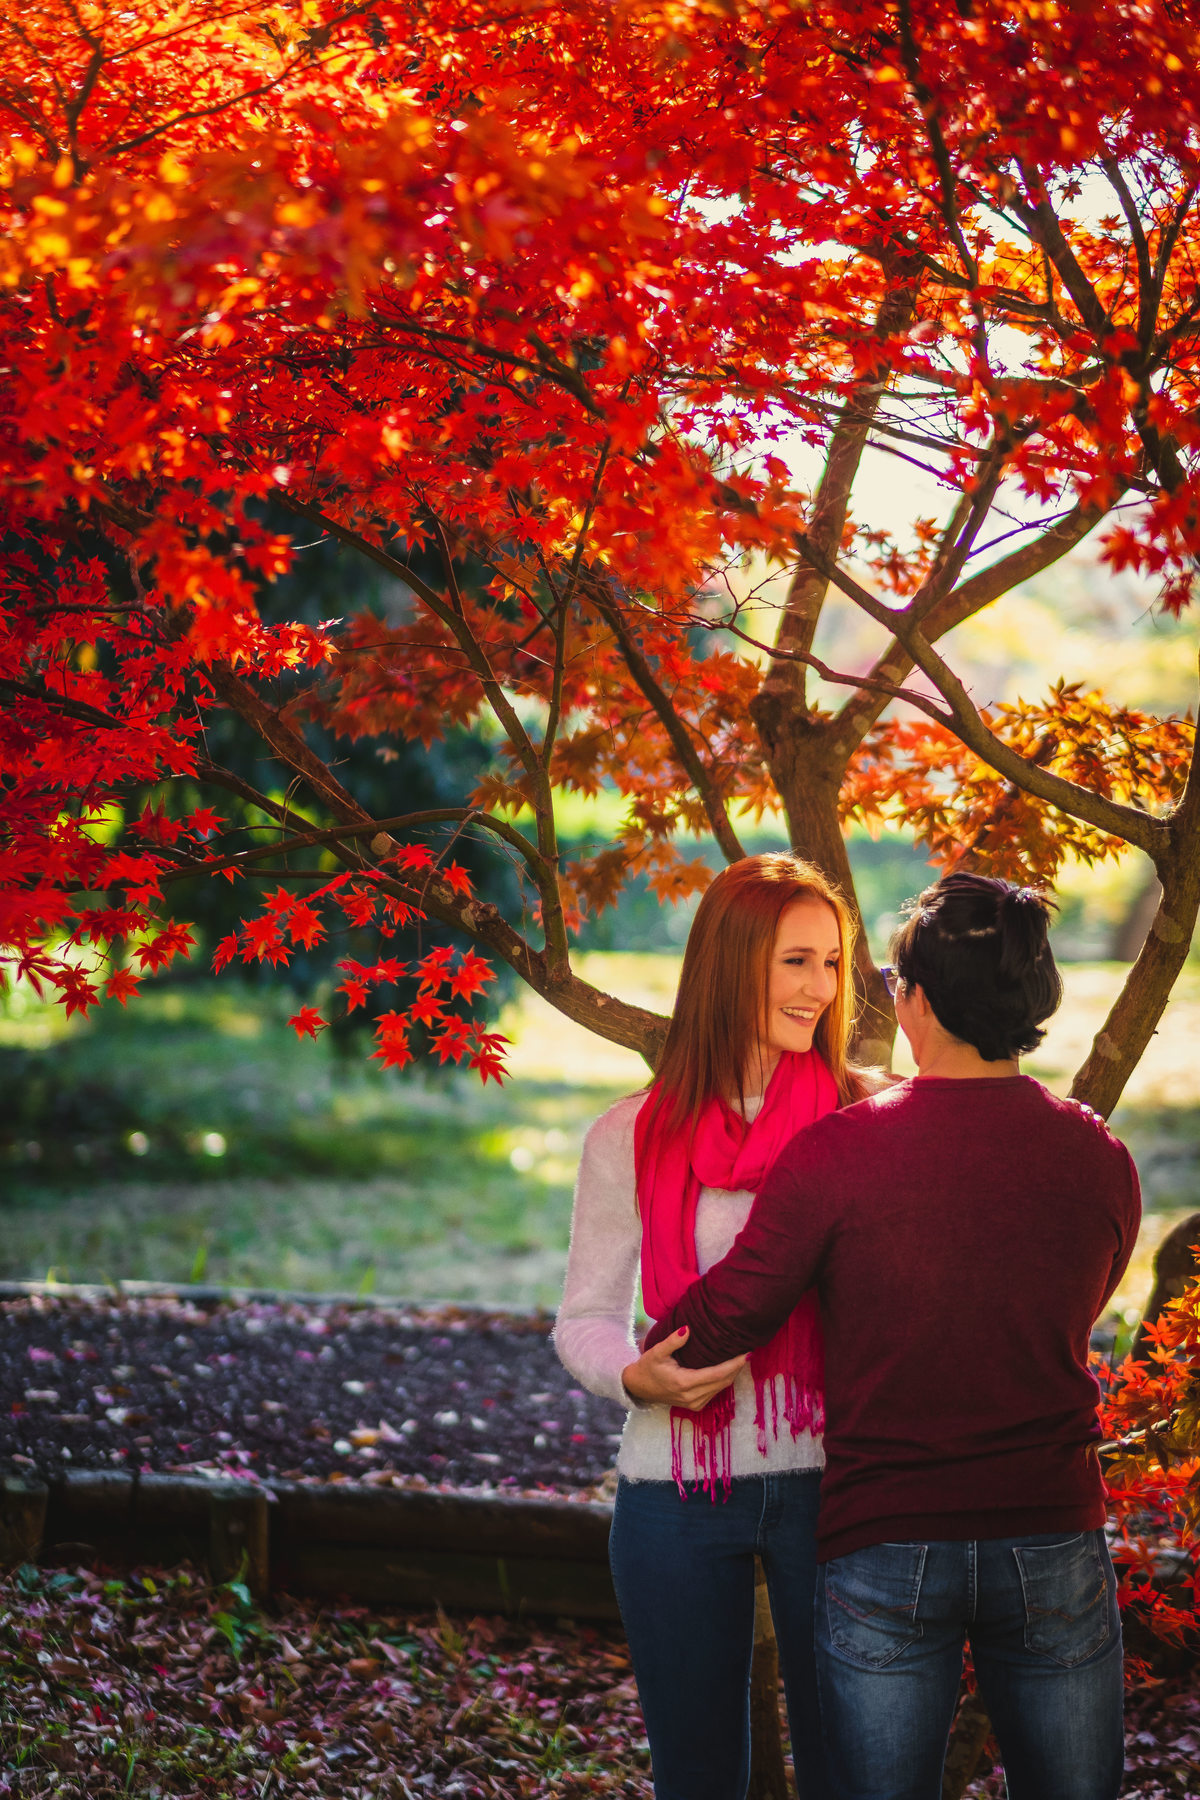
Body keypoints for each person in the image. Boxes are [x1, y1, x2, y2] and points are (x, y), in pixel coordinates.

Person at [644, 871, 1141, 1800]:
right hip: (1050, 1529)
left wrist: (646, 1360)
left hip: (886, 1540)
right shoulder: (1099, 1154)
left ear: (916, 1001)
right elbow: (1086, 1297)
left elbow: (732, 1315)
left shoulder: (839, 1151)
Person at [555, 853, 875, 1800]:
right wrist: (633, 1378)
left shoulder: (866, 1114)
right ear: (731, 963)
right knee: (696, 1777)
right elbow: (585, 1318)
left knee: (849, 1771)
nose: (820, 988)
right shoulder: (630, 1133)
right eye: (794, 962)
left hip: (842, 1489)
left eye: (831, 962)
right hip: (674, 1491)